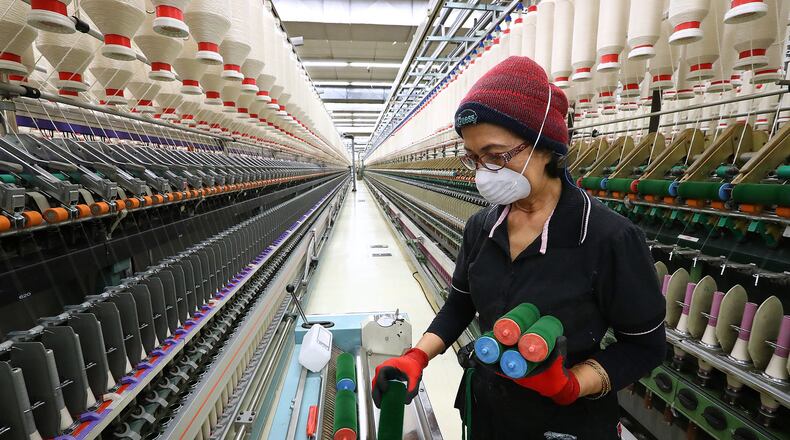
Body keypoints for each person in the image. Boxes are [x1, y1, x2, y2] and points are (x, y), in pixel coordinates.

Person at [371, 56, 666, 439]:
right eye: (475, 158)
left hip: (566, 425)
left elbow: (646, 347)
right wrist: (417, 356)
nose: (484, 171)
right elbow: (460, 305)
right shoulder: (481, 227)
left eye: (497, 156)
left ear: (544, 146)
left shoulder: (607, 237)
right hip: (488, 413)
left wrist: (574, 383)